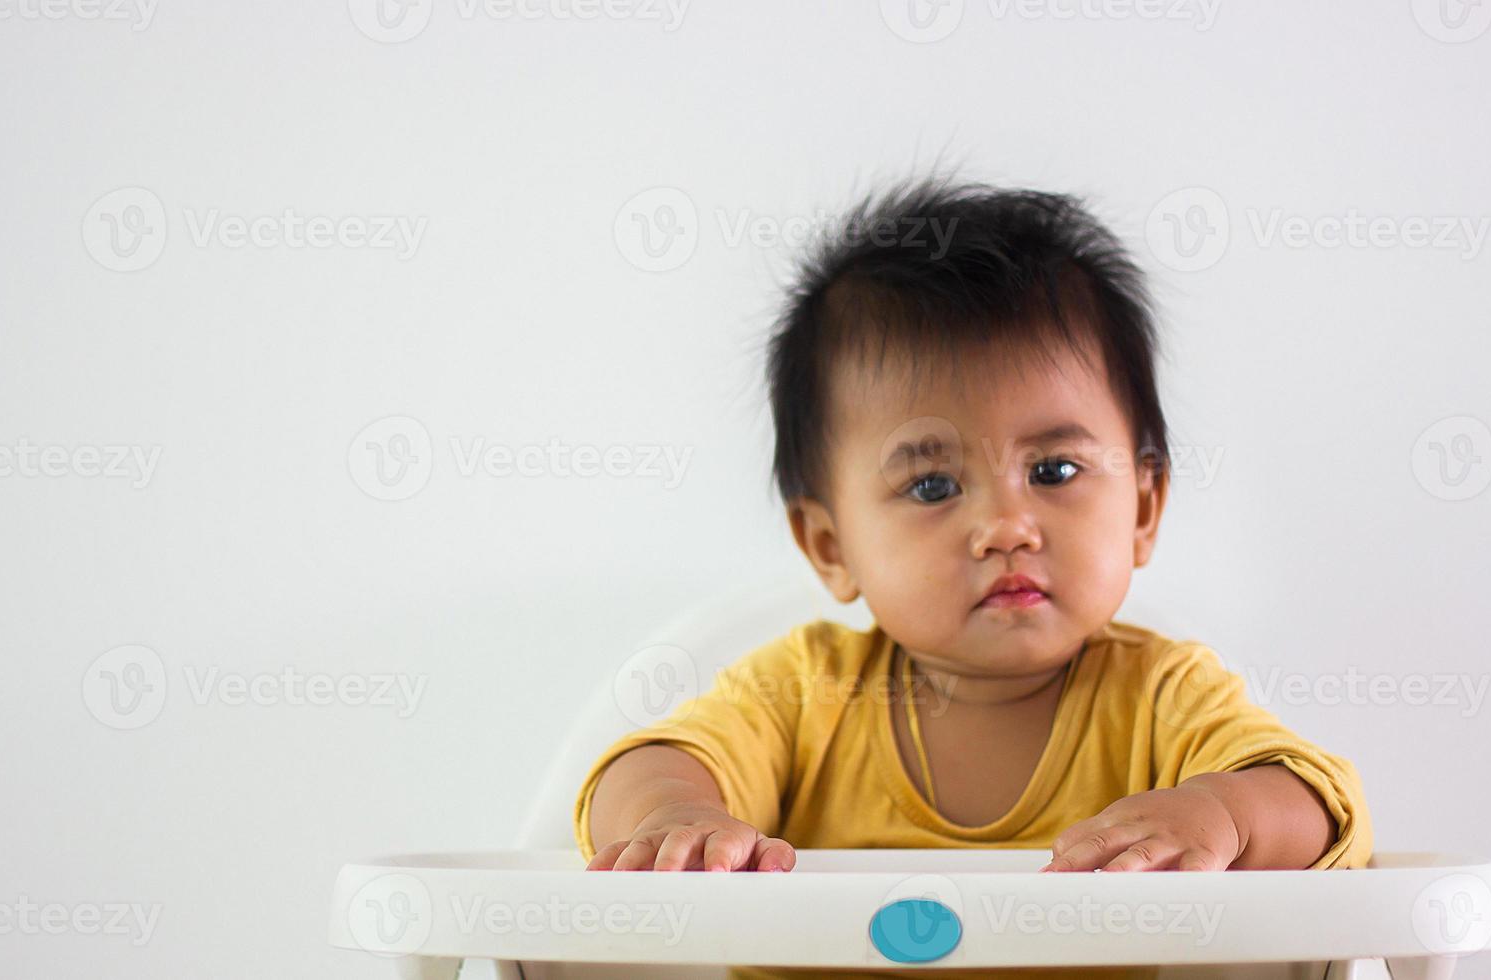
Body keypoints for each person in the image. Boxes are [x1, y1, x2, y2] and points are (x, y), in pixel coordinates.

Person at [572, 176, 1372, 979]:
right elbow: (643, 771)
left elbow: (1317, 805)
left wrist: (1219, 812)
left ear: (1143, 507)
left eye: (1055, 469)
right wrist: (675, 815)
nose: (1007, 528)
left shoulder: (1162, 698)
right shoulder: (802, 693)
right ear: (829, 546)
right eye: (931, 486)